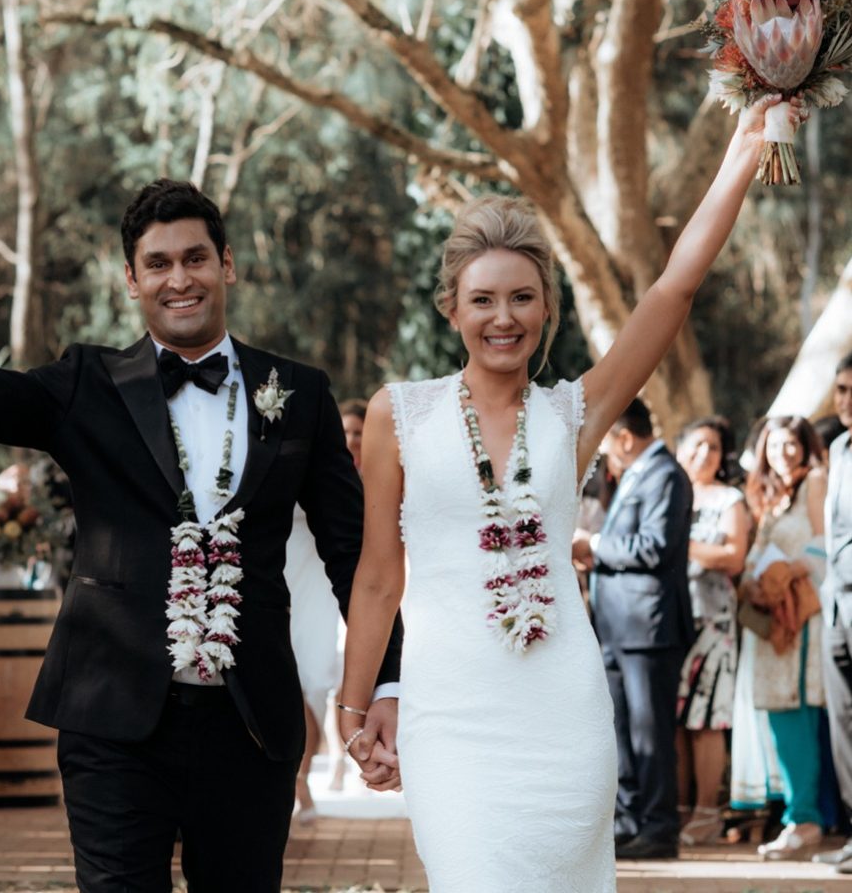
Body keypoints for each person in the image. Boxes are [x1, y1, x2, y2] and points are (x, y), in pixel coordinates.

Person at [0, 176, 402, 893]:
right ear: (132, 280)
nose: (178, 278)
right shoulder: (84, 383)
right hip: (111, 720)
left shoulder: (302, 393)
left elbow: (353, 554)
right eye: (157, 264)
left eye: (194, 258)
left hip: (250, 725)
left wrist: (387, 683)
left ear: (227, 263)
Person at [338, 97, 793, 890]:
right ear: (452, 309)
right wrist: (357, 706)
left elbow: (672, 292)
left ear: (548, 307)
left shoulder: (571, 416)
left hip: (563, 713)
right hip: (450, 718)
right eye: (483, 299)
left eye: (522, 297)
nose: (503, 318)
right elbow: (380, 577)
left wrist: (742, 153)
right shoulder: (397, 415)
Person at [579, 399, 695, 859]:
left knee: (650, 732)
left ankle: (660, 828)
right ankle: (628, 819)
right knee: (621, 728)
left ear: (625, 437)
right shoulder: (634, 476)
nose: (606, 452)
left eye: (608, 442)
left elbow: (654, 546)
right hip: (615, 627)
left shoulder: (665, 474)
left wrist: (594, 544)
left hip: (649, 629)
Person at [732, 416, 827, 860]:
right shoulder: (771, 500)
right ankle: (799, 814)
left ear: (806, 446)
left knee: (798, 709)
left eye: (792, 444)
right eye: (775, 444)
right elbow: (751, 559)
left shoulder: (816, 483)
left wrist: (785, 573)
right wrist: (754, 581)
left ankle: (805, 820)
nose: (784, 453)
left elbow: (825, 543)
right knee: (777, 714)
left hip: (799, 615)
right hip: (767, 620)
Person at [284, 397, 370, 823]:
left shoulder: (376, 476)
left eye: (358, 432)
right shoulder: (303, 463)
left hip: (334, 590)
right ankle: (297, 784)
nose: (351, 439)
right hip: (288, 579)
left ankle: (312, 775)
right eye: (345, 431)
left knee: (314, 686)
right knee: (292, 684)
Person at [673, 417, 750, 845]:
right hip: (671, 621)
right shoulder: (672, 492)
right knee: (677, 720)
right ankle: (681, 809)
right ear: (680, 447)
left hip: (713, 623)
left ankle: (707, 813)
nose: (705, 454)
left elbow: (733, 556)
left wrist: (677, 543)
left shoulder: (729, 498)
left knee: (706, 721)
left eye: (714, 448)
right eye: (697, 444)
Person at [814, 352, 852, 875]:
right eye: (841, 389)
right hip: (836, 606)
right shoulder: (839, 447)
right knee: (843, 724)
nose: (846, 400)